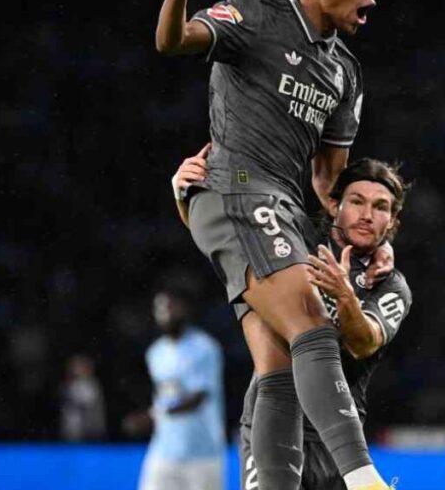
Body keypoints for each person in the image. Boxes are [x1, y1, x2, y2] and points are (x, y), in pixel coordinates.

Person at [156, 0, 393, 489]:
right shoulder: (255, 16)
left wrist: (366, 240)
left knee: (278, 369)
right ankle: (363, 480)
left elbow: (328, 181)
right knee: (310, 324)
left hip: (279, 207)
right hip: (239, 189)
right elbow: (172, 41)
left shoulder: (345, 73)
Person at [174, 151, 412, 490]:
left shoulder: (390, 284)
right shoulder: (294, 243)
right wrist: (183, 195)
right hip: (272, 415)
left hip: (336, 434)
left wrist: (346, 298)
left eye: (381, 207)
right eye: (357, 201)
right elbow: (229, 242)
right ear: (334, 206)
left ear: (392, 222)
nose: (367, 215)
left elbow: (364, 343)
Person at [124, 290, 227, 490]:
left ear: (184, 309)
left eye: (170, 306)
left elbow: (199, 397)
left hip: (202, 451)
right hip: (164, 450)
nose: (165, 313)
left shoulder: (204, 347)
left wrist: (153, 415)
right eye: (159, 308)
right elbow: (164, 395)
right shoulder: (155, 353)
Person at [59, 354, 107, 442]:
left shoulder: (91, 384)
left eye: (77, 367)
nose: (74, 370)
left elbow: (87, 403)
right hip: (71, 430)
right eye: (72, 367)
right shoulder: (69, 384)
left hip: (89, 431)